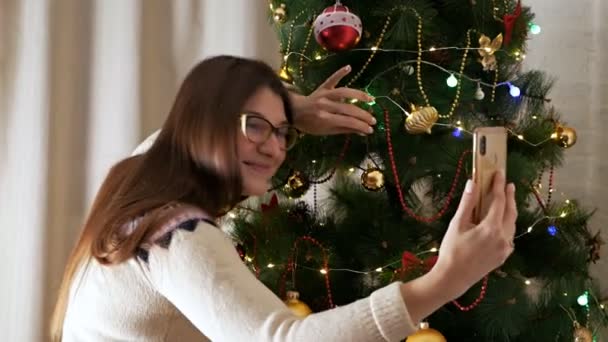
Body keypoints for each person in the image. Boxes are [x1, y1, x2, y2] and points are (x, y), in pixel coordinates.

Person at [51, 55, 517, 341]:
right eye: (255, 126)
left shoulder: (138, 182)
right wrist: (444, 281)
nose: (275, 147)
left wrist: (285, 108)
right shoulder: (178, 236)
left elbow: (164, 136)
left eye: (283, 133)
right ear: (204, 124)